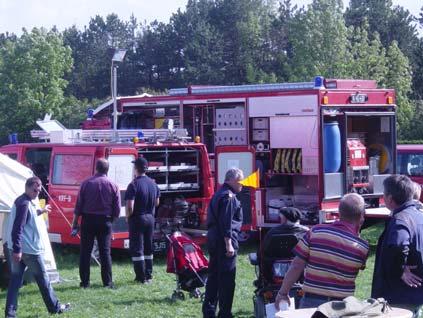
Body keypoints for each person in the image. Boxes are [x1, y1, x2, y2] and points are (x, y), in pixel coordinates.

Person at [275, 193, 368, 310]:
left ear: (339, 213)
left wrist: (283, 293)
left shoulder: (315, 231)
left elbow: (296, 266)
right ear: (361, 216)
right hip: (342, 307)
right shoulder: (363, 247)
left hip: (312, 302)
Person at [4, 177, 70, 317]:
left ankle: (9, 314)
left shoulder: (25, 201)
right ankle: (55, 308)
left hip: (20, 250)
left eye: (39, 191)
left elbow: (29, 217)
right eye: (35, 190)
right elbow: (17, 228)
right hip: (29, 251)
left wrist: (42, 210)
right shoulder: (24, 204)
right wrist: (17, 250)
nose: (37, 193)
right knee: (43, 279)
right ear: (27, 187)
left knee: (15, 282)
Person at [371, 175, 423, 318]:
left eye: (384, 193)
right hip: (416, 294)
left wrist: (401, 269)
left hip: (398, 297)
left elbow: (398, 245)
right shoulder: (419, 216)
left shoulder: (401, 219)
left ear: (390, 198)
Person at [71, 158, 120, 289]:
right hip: (105, 221)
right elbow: (117, 210)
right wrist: (111, 223)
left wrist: (75, 224)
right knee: (105, 252)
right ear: (107, 170)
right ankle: (107, 282)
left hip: (88, 220)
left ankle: (85, 282)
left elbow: (78, 207)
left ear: (96, 168)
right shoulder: (113, 185)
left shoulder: (86, 183)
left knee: (85, 252)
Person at [202, 168, 244, 318]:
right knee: (227, 278)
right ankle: (225, 313)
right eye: (240, 180)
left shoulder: (218, 194)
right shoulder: (229, 197)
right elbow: (226, 222)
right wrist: (229, 244)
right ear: (232, 180)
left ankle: (209, 310)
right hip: (224, 240)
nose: (242, 184)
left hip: (214, 239)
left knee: (213, 276)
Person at [125, 157, 160, 284]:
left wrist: (128, 217)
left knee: (137, 247)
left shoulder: (133, 184)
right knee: (148, 247)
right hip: (150, 218)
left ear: (136, 169)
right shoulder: (153, 184)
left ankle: (140, 277)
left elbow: (130, 206)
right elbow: (157, 202)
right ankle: (149, 275)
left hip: (137, 218)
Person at [260, 207, 308, 282]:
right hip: (300, 271)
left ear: (284, 219)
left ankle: (262, 281)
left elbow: (262, 251)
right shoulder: (306, 232)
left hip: (272, 271)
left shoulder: (272, 232)